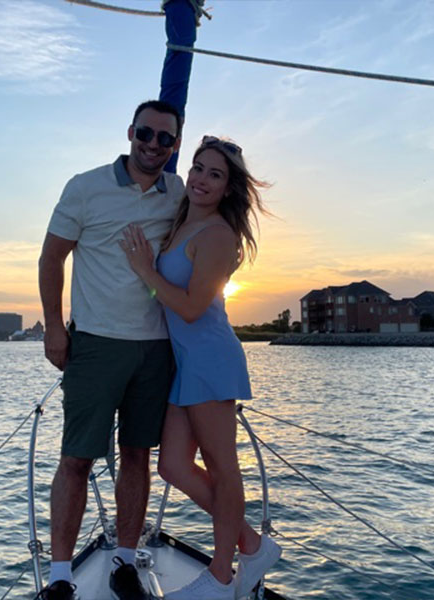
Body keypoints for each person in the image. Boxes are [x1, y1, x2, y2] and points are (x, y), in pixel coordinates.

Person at [119, 136, 282, 600]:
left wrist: (145, 270)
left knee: (222, 468)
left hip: (210, 359)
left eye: (215, 174)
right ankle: (252, 544)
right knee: (172, 465)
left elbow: (191, 308)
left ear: (229, 188)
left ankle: (222, 574)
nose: (201, 179)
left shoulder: (217, 234)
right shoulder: (182, 223)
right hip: (186, 363)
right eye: (197, 168)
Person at [37, 99, 184, 600]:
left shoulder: (177, 192)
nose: (154, 145)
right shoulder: (85, 186)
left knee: (137, 455)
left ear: (175, 144)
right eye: (146, 133)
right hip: (96, 344)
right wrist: (54, 328)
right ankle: (60, 576)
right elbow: (52, 256)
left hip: (155, 347)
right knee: (77, 459)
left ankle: (124, 562)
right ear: (130, 132)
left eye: (166, 138)